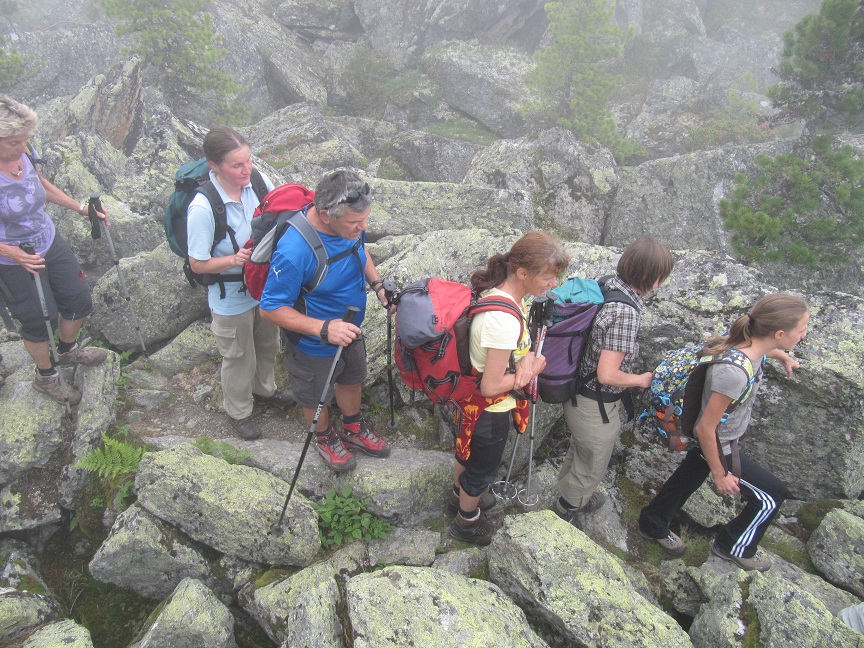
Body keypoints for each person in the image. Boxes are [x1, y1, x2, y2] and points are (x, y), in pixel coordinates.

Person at [638, 293, 807, 572]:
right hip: (719, 442)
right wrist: (720, 474)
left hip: (720, 437)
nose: (804, 335)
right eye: (801, 330)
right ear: (779, 333)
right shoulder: (734, 374)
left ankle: (653, 522)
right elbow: (706, 427)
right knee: (772, 496)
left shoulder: (749, 344)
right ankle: (734, 545)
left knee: (689, 475)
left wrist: (782, 356)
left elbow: (765, 349)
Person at [259, 169, 391, 471]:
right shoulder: (295, 250)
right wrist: (323, 328)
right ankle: (323, 437)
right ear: (325, 214)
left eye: (365, 220)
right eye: (355, 223)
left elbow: (360, 251)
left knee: (352, 378)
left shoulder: (350, 227)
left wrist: (378, 285)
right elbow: (269, 309)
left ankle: (352, 428)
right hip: (313, 341)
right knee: (313, 394)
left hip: (349, 328)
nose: (363, 227)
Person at [448, 231, 569, 545]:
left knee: (467, 453)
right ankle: (466, 521)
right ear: (523, 273)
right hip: (489, 410)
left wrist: (526, 358)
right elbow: (490, 385)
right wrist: (532, 371)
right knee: (483, 469)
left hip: (472, 404)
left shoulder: (510, 298)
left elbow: (509, 354)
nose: (553, 284)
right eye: (549, 277)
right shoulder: (502, 321)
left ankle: (459, 495)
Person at [555, 237, 674, 524]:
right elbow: (607, 374)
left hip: (579, 394)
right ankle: (567, 510)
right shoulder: (625, 313)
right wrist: (642, 380)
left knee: (581, 450)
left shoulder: (609, 285)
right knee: (593, 462)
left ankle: (568, 494)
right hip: (594, 403)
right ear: (654, 279)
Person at [0, 95, 109, 405]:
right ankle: (46, 377)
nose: (21, 147)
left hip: (47, 240)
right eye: (13, 143)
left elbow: (40, 184)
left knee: (78, 299)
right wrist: (13, 254)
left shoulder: (26, 154)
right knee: (36, 318)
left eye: (25, 140)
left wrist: (79, 207)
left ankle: (68, 350)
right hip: (12, 258)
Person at [186, 126, 292, 441]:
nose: (247, 169)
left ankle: (265, 390)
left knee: (268, 345)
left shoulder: (258, 183)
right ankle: (239, 411)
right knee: (238, 356)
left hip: (263, 288)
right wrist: (234, 260)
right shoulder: (202, 208)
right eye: (237, 165)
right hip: (230, 296)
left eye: (248, 161)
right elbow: (197, 262)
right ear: (214, 166)